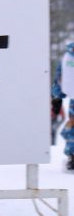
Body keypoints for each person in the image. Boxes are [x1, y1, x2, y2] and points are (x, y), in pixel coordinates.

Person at [52, 42, 74, 171]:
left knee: (72, 129)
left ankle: (72, 156)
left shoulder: (68, 56)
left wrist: (57, 98)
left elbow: (59, 78)